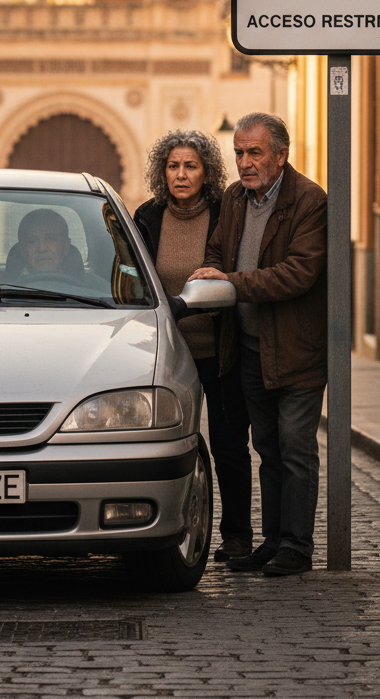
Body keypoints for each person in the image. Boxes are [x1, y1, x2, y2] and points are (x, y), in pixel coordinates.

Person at [190, 112, 327, 577]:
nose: (245, 163)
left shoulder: (309, 202)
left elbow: (298, 274)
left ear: (281, 155)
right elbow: (216, 254)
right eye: (239, 154)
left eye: (255, 153)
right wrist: (208, 278)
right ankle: (272, 541)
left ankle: (298, 546)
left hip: (295, 348)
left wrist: (230, 281)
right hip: (247, 346)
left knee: (295, 447)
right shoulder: (233, 199)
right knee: (267, 446)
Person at [133, 130, 254, 563]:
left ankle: (238, 537)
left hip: (218, 352)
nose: (181, 175)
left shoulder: (228, 213)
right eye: (173, 166)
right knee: (164, 445)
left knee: (228, 447)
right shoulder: (145, 217)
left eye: (190, 166)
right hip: (166, 356)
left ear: (206, 172)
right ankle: (161, 527)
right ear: (161, 172)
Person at [16, 208, 73, 275]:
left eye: (50, 239)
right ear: (23, 249)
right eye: (32, 241)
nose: (42, 249)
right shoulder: (6, 284)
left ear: (66, 246)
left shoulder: (79, 285)